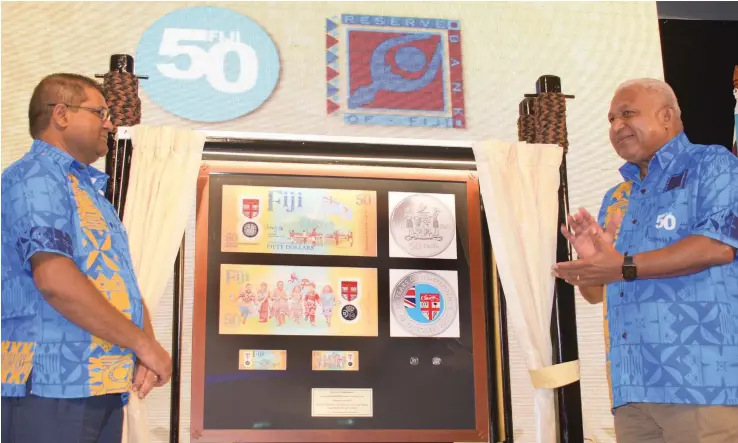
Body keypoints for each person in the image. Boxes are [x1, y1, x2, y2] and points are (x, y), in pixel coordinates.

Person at [553, 78, 738, 442]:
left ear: (667, 116)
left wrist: (622, 265)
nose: (616, 126)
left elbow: (717, 247)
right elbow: (595, 294)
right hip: (632, 388)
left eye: (627, 113)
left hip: (700, 385)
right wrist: (593, 263)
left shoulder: (712, 163)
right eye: (610, 119)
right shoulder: (618, 196)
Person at [1, 73, 172, 443]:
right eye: (101, 112)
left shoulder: (89, 191)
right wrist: (144, 345)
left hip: (101, 382)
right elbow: (56, 281)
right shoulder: (34, 178)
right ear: (61, 114)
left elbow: (118, 281)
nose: (110, 123)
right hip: (52, 385)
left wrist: (145, 345)